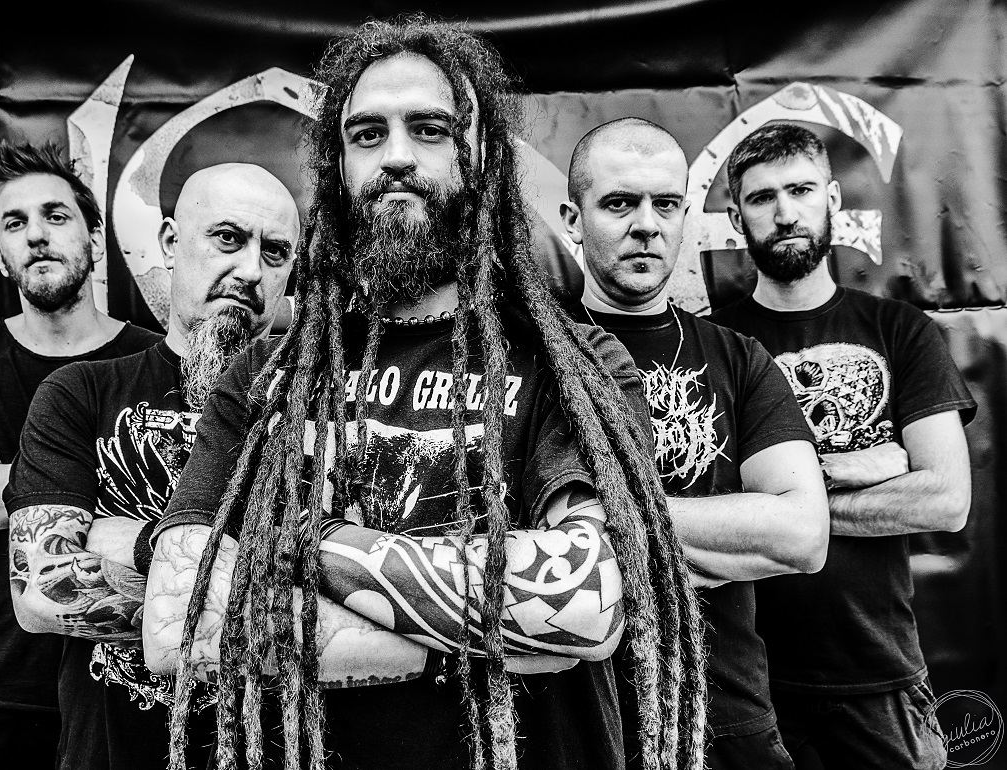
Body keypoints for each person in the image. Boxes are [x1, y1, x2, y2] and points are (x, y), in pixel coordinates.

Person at [145, 18, 707, 770]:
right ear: (338, 166)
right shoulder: (266, 375)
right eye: (367, 134)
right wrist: (465, 645)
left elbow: (583, 602)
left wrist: (302, 546)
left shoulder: (573, 365)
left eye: (431, 129)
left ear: (481, 159)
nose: (396, 156)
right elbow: (179, 626)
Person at [3, 163, 300, 770]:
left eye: (275, 252)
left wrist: (126, 543)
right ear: (169, 242)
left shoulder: (322, 403)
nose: (251, 270)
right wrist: (175, 556)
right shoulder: (79, 393)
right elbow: (40, 590)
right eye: (228, 238)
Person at [559, 117, 829, 769]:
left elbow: (801, 534)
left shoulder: (738, 358)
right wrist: (727, 536)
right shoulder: (528, 350)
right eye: (619, 203)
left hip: (725, 719)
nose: (646, 225)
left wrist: (599, 525)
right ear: (573, 220)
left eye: (666, 204)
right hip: (577, 725)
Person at [711, 122, 975, 769]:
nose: (785, 213)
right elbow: (699, 500)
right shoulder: (713, 345)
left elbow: (945, 500)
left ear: (832, 198)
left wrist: (782, 509)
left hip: (878, 673)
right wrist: (856, 469)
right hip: (744, 684)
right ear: (736, 217)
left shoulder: (901, 330)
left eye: (801, 190)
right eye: (762, 196)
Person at [0, 141, 159, 770]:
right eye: (15, 223)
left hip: (124, 683)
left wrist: (5, 475)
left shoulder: (152, 358)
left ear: (94, 239)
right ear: (0, 254)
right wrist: (114, 477)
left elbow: (175, 499)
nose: (37, 235)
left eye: (56, 215)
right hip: (0, 686)